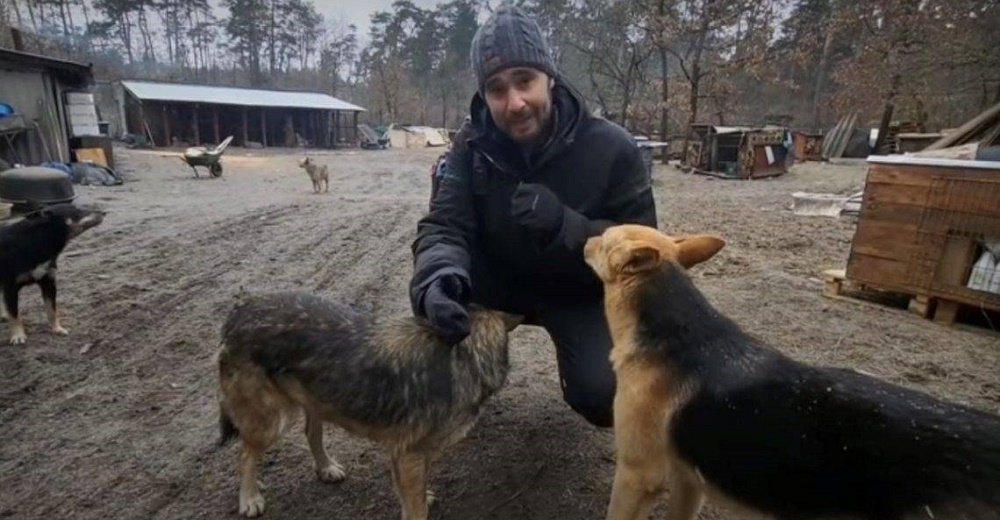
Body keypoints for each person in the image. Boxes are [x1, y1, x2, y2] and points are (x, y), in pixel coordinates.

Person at [409, 3, 658, 428]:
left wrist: (569, 225)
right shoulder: (470, 146)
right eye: (497, 89)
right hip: (497, 283)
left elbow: (646, 249)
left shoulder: (612, 147)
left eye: (525, 81)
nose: (515, 102)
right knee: (432, 343)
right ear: (484, 95)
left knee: (606, 396)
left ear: (550, 77)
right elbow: (444, 225)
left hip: (576, 289)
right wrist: (436, 281)